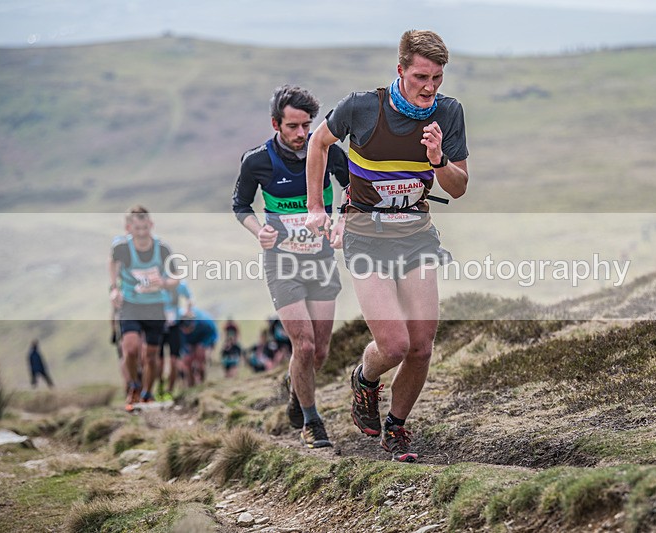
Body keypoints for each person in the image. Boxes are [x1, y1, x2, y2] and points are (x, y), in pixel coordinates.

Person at [305, 30, 469, 462]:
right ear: (400, 70)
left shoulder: (448, 113)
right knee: (393, 345)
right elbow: (318, 143)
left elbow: (458, 187)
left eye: (437, 77)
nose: (429, 87)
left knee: (421, 346)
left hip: (416, 235)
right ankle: (365, 378)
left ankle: (395, 428)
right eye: (420, 77)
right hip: (366, 236)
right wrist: (316, 207)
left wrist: (438, 159)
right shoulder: (361, 107)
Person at [232, 85, 349, 449]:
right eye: (293, 126)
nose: (301, 134)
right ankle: (312, 423)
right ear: (275, 124)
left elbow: (353, 187)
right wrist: (259, 231)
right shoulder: (257, 161)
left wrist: (342, 219)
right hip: (282, 262)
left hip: (321, 260)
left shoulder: (327, 151)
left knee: (320, 352)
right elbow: (240, 205)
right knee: (304, 344)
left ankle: (296, 385)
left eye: (306, 125)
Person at [110, 206, 179, 410]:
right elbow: (112, 262)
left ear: (151, 225)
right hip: (130, 304)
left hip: (155, 306)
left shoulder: (163, 249)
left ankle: (147, 393)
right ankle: (134, 386)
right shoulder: (121, 248)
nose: (141, 233)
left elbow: (176, 277)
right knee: (130, 348)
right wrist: (114, 288)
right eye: (137, 228)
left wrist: (164, 283)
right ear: (129, 228)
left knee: (150, 355)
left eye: (145, 228)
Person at [157, 280, 194, 398]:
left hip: (175, 326)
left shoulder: (180, 286)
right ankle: (160, 387)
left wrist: (187, 310)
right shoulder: (157, 283)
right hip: (159, 325)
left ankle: (170, 390)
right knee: (159, 361)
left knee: (174, 360)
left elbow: (189, 298)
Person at [179, 307, 218, 386]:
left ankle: (201, 381)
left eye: (189, 328)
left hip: (203, 338)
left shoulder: (205, 323)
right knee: (187, 361)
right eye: (184, 329)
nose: (186, 331)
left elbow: (213, 335)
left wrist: (204, 344)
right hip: (187, 341)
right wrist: (186, 349)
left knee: (200, 357)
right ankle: (191, 385)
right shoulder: (178, 324)